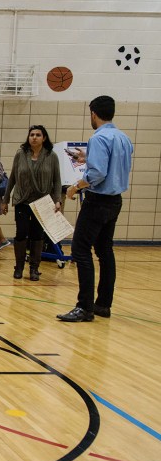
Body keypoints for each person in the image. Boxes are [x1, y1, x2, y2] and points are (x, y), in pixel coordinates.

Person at [57, 96, 133, 323]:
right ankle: (103, 305)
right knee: (104, 251)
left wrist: (75, 186)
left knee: (80, 250)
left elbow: (98, 173)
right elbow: (115, 162)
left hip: (97, 201)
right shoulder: (123, 138)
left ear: (93, 113)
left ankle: (84, 307)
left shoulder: (98, 138)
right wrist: (87, 157)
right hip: (115, 201)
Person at [2, 125, 61, 281]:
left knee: (37, 235)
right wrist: (5, 199)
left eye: (38, 135)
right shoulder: (20, 154)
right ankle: (19, 267)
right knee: (21, 233)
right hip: (22, 200)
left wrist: (57, 201)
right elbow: (12, 178)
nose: (34, 137)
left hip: (42, 202)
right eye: (32, 134)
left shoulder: (52, 156)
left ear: (44, 138)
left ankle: (34, 268)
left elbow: (57, 181)